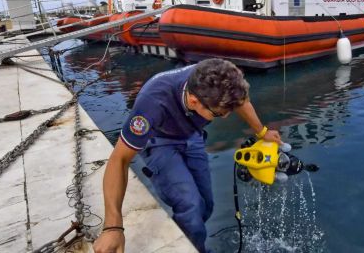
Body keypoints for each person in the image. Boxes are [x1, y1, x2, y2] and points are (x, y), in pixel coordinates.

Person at [93, 59, 281, 253]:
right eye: (218, 114)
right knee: (190, 205)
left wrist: (262, 132)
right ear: (193, 101)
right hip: (160, 141)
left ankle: (190, 239)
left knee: (206, 206)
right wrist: (113, 226)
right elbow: (119, 159)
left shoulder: (218, 78)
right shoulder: (152, 103)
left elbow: (241, 101)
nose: (225, 117)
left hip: (192, 135)